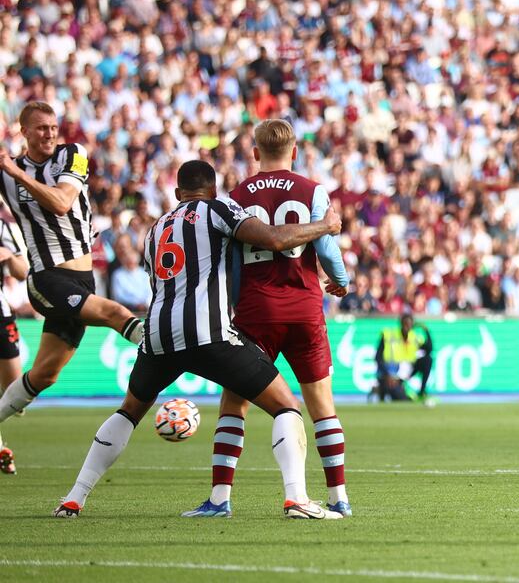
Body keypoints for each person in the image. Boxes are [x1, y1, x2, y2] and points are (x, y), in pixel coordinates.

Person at [54, 159, 344, 519]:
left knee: (129, 411)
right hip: (210, 334)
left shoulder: (156, 228)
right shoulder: (219, 208)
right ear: (213, 189)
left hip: (157, 335)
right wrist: (324, 225)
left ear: (178, 194)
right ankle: (296, 499)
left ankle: (74, 498)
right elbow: (274, 238)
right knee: (286, 406)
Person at [182, 119, 352, 519]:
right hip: (305, 308)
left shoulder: (234, 197)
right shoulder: (313, 191)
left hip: (256, 313)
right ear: (294, 152)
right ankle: (338, 498)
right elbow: (327, 251)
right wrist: (340, 281)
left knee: (234, 403)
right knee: (321, 406)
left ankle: (220, 499)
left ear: (255, 153)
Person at [0, 102, 146, 470]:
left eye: (52, 127)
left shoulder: (72, 155)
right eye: (40, 128)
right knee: (114, 312)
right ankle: (165, 345)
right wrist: (11, 170)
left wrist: (15, 173)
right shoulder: (8, 170)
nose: (49, 133)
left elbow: (62, 202)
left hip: (81, 276)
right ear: (24, 131)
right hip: (46, 277)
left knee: (45, 374)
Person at [0, 220, 28, 474]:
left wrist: (8, 255)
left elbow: (22, 272)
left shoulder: (2, 228)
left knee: (15, 392)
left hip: (1, 314)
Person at [374, 312, 433, 403]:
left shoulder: (414, 337)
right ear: (401, 323)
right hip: (391, 373)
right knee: (401, 399)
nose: (407, 327)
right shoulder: (389, 335)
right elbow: (378, 357)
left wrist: (426, 330)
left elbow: (429, 349)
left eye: (409, 324)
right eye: (405, 324)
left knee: (427, 360)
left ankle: (421, 392)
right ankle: (380, 389)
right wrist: (387, 374)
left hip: (406, 372)